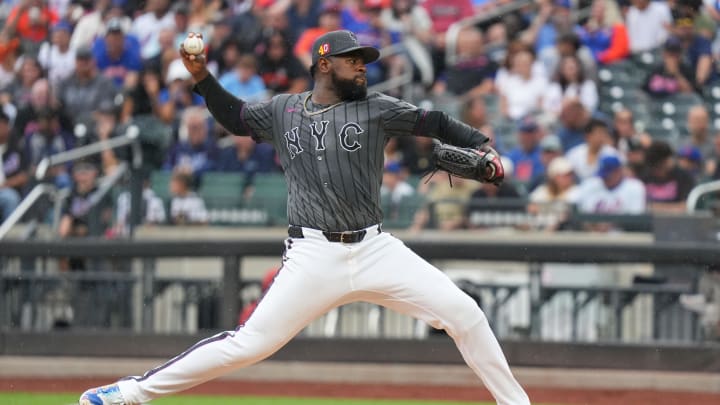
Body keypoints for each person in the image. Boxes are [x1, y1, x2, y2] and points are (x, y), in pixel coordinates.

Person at [78, 30, 530, 405]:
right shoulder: (283, 110)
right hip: (312, 254)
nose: (362, 66)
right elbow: (235, 117)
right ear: (325, 64)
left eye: (364, 60)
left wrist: (483, 144)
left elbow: (434, 121)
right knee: (248, 344)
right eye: (353, 60)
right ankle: (133, 393)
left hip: (375, 247)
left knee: (464, 313)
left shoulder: (377, 107)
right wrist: (202, 77)